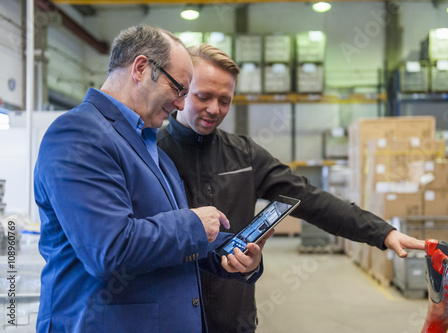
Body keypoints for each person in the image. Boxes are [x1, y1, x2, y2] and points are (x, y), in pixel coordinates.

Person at [157, 43, 426, 333]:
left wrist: (382, 232)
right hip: (170, 319)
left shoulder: (244, 156)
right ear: (183, 91)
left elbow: (309, 199)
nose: (214, 109)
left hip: (234, 319)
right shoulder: (152, 153)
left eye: (225, 100)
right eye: (204, 96)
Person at [33, 25, 268, 333]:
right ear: (141, 68)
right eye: (178, 89)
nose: (181, 104)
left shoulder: (148, 145)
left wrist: (235, 254)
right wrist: (194, 224)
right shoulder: (78, 135)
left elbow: (167, 240)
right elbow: (110, 249)